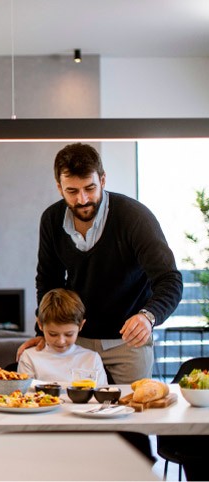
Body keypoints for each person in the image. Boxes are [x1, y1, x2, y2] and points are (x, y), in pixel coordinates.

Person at [18, 143, 182, 385]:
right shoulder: (52, 219)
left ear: (103, 180)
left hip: (128, 343)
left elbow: (170, 279)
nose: (82, 199)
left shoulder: (134, 217)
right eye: (72, 191)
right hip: (76, 341)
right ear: (59, 187)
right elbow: (48, 281)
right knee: (71, 413)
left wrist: (148, 317)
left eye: (90, 188)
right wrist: (43, 331)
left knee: (131, 414)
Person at [18, 288, 108, 386]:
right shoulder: (29, 358)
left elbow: (102, 395)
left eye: (69, 334)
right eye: (53, 334)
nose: (61, 341)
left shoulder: (92, 359)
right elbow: (23, 397)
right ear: (40, 324)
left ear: (81, 326)